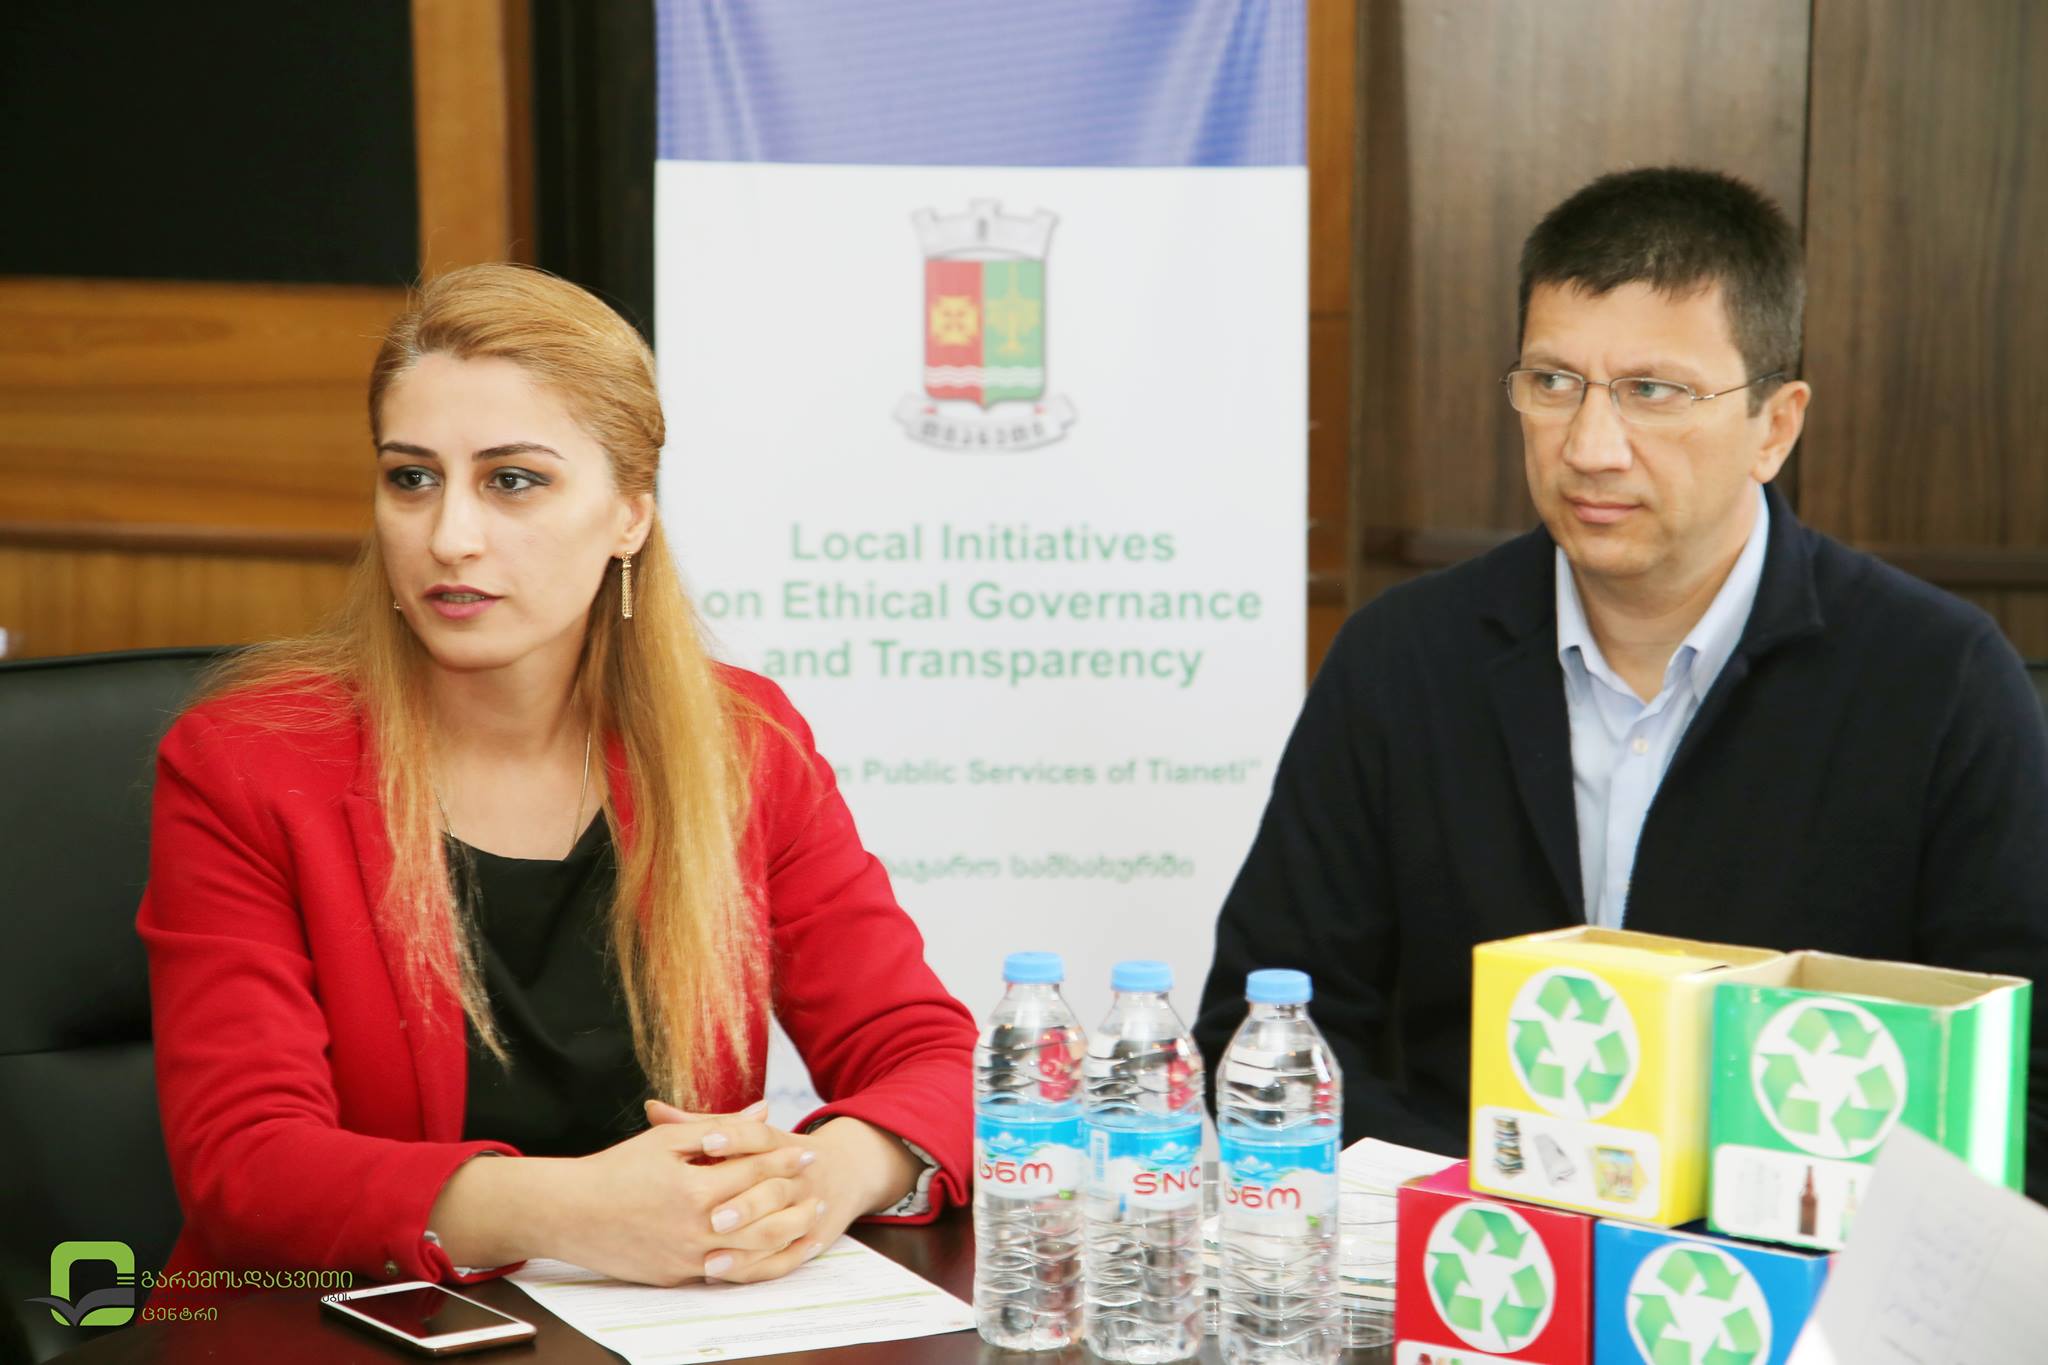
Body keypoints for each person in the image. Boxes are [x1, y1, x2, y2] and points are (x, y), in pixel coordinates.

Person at [1194, 167, 2048, 1197]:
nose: (1590, 448)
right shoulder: (1402, 657)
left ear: (1774, 426)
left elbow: (2022, 1085)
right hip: (1463, 1249)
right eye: (1553, 382)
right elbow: (1262, 1028)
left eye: (1653, 392)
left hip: (1788, 1266)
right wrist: (1486, 1211)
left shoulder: (1936, 679)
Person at [138, 264, 975, 1290]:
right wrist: (566, 1211)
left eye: (513, 481)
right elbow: (247, 1168)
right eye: (412, 479)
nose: (449, 537)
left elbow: (928, 1054)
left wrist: (819, 1178)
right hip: (350, 1324)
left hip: (676, 1328)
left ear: (629, 516)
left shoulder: (741, 742)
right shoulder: (247, 761)